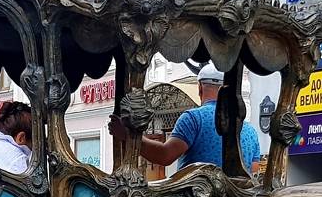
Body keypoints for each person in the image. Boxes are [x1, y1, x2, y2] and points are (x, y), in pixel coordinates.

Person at [112, 65, 262, 172]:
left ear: (199, 88)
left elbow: (165, 156)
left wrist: (128, 136)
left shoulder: (194, 119)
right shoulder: (250, 131)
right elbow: (253, 170)